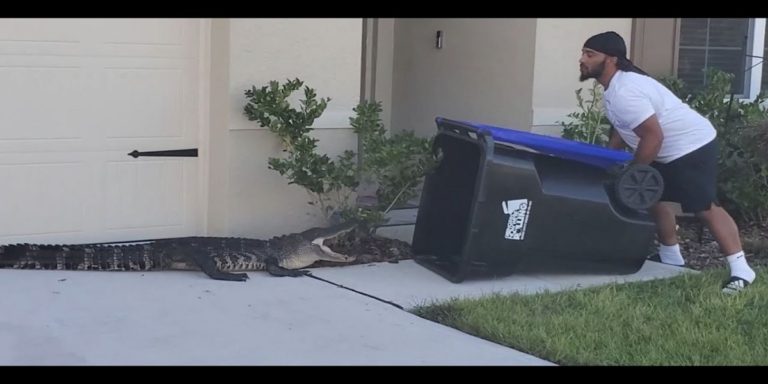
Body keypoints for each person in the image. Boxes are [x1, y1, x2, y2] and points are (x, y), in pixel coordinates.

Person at [578, 31, 756, 294]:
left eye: (590, 54)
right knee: (651, 196)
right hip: (663, 147)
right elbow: (623, 129)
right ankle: (671, 256)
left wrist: (635, 172)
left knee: (704, 206)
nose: (582, 59)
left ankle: (742, 270)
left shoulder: (626, 90)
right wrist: (608, 160)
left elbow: (653, 135)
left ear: (612, 59)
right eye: (583, 53)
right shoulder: (614, 89)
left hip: (692, 145)